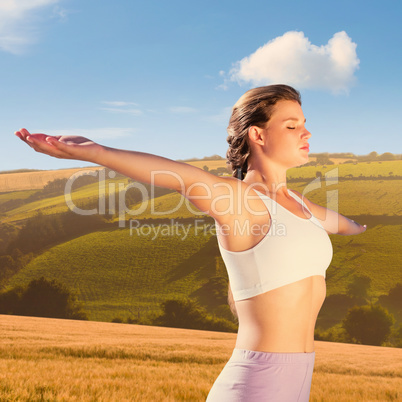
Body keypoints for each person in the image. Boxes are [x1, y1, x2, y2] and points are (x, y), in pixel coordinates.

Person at [15, 84, 366, 401]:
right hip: (256, 385)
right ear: (258, 135)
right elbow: (180, 177)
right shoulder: (239, 200)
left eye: (304, 123)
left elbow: (350, 226)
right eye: (292, 126)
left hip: (297, 383)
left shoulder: (304, 207)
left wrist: (359, 227)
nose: (306, 132)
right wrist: (94, 151)